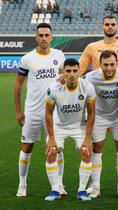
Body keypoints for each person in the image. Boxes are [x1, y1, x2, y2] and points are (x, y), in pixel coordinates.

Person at [14, 23, 65, 197]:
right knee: (27, 147)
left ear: (51, 37)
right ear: (36, 37)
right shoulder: (27, 58)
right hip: (33, 111)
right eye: (40, 35)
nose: (44, 38)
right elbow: (18, 86)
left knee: (56, 148)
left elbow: (65, 77)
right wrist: (19, 111)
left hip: (54, 112)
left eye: (46, 35)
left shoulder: (59, 56)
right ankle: (22, 184)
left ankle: (59, 185)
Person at [84, 50, 118, 199]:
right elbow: (80, 86)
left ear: (117, 63)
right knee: (97, 149)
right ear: (99, 65)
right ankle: (96, 187)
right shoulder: (91, 77)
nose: (109, 68)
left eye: (112, 64)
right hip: (99, 117)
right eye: (105, 65)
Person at [44, 58, 96, 201]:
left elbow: (92, 113)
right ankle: (55, 190)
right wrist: (52, 138)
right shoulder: (53, 88)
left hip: (79, 126)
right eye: (68, 71)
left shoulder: (87, 87)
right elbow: (48, 113)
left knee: (86, 152)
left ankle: (82, 191)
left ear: (80, 71)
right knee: (51, 152)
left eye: (74, 71)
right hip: (59, 126)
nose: (72, 74)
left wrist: (87, 138)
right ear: (63, 72)